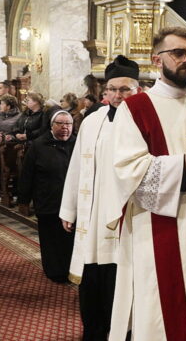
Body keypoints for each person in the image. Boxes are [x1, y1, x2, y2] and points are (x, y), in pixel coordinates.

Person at [106, 26, 186, 341]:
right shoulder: (136, 108)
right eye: (178, 53)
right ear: (156, 59)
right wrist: (184, 163)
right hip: (162, 222)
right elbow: (125, 169)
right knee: (166, 306)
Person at [60, 55, 140, 341]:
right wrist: (69, 209)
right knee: (91, 279)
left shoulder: (144, 122)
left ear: (137, 90)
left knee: (119, 282)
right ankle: (93, 333)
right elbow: (77, 167)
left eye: (125, 89)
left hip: (127, 220)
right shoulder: (92, 121)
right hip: (92, 218)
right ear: (105, 91)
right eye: (113, 89)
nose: (118, 95)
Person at [18, 110, 76, 283]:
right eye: (61, 123)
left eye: (68, 124)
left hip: (73, 202)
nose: (65, 127)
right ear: (52, 125)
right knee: (51, 238)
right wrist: (23, 200)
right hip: (48, 199)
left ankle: (71, 268)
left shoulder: (78, 143)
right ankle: (54, 270)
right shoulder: (38, 145)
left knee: (70, 238)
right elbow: (27, 174)